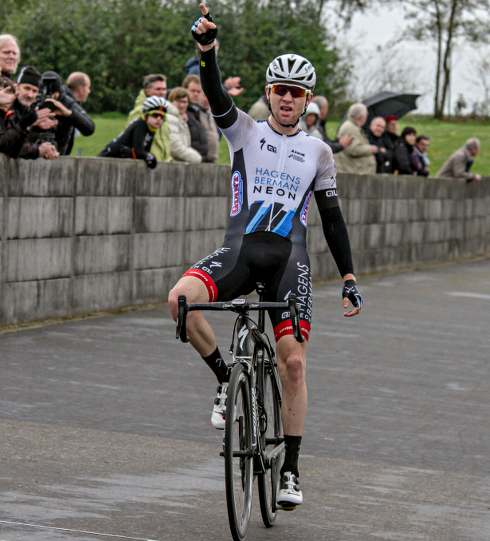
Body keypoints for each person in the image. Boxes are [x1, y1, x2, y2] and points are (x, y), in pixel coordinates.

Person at [169, 3, 363, 511]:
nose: (287, 99)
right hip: (239, 251)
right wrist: (207, 50)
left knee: (293, 365)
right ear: (268, 94)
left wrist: (347, 276)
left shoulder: (319, 152)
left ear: (306, 101)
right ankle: (222, 379)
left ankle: (292, 470)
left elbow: (332, 217)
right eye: (280, 90)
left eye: (296, 93)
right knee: (179, 301)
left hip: (288, 262)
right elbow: (213, 93)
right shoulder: (245, 132)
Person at [0, 75, 57, 159]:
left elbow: (14, 150)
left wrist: (30, 128)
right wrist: (37, 150)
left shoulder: (6, 114)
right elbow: (0, 144)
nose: (4, 100)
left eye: (9, 96)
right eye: (0, 95)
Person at [99, 95, 165, 169]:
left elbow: (145, 151)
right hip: (108, 157)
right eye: (155, 115)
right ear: (146, 114)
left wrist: (149, 157)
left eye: (162, 116)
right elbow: (139, 152)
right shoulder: (141, 124)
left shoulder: (151, 128)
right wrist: (151, 157)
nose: (159, 119)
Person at [127, 73, 173, 163]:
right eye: (158, 89)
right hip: (147, 162)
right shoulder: (139, 111)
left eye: (164, 89)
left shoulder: (163, 111)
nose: (162, 92)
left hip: (163, 163)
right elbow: (133, 141)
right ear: (147, 92)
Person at [184, 74, 218, 162]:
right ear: (184, 90)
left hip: (204, 159)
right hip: (190, 160)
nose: (195, 94)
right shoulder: (182, 111)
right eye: (192, 91)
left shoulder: (199, 111)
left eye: (198, 92)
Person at [334, 102, 376, 175]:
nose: (367, 117)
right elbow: (352, 149)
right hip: (350, 173)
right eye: (366, 114)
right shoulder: (349, 127)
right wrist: (371, 149)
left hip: (354, 172)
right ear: (361, 116)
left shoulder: (354, 127)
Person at [167, 86, 202, 163]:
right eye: (178, 101)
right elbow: (175, 147)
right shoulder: (170, 118)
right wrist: (196, 157)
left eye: (184, 102)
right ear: (171, 101)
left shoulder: (180, 118)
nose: (182, 105)